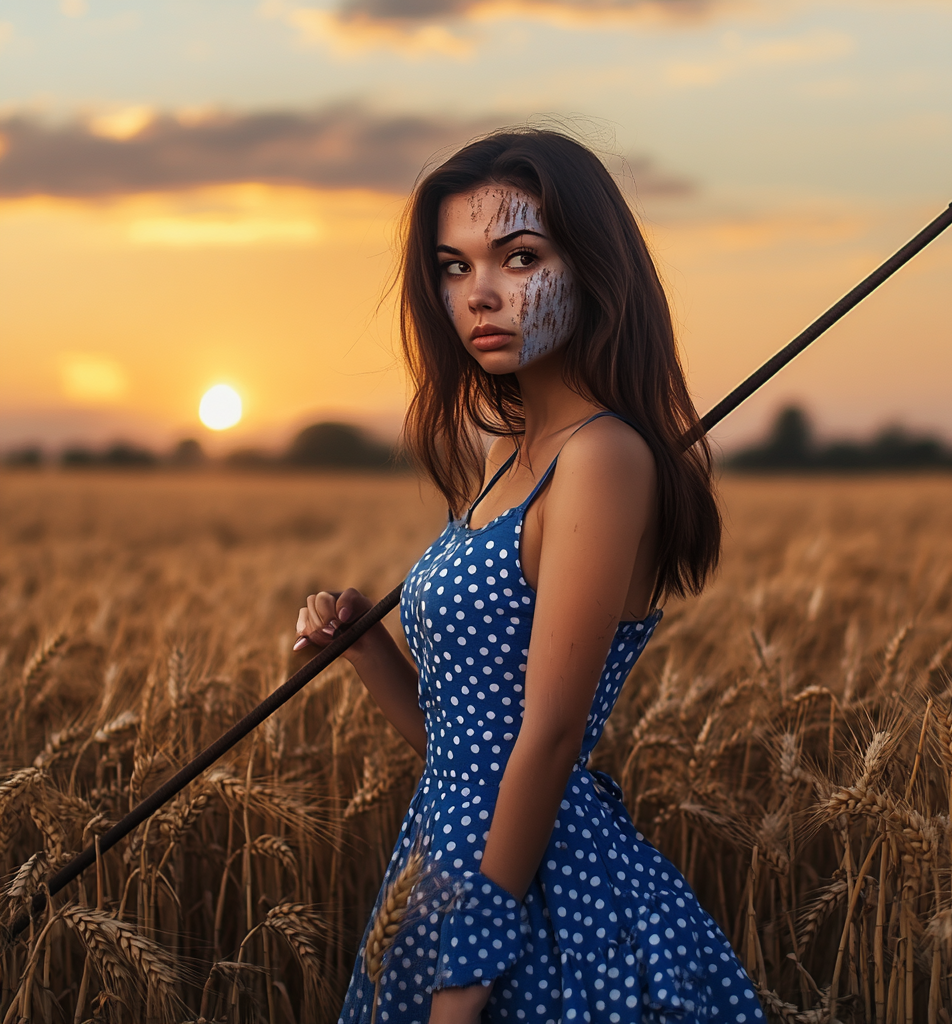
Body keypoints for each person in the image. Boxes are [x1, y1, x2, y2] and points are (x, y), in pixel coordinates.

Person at [294, 129, 764, 1024]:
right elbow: (463, 750)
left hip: (541, 904)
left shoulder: (601, 457)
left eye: (519, 257)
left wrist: (464, 980)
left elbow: (548, 741)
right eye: (453, 267)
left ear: (591, 265)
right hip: (444, 871)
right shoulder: (506, 457)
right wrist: (366, 650)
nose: (481, 295)